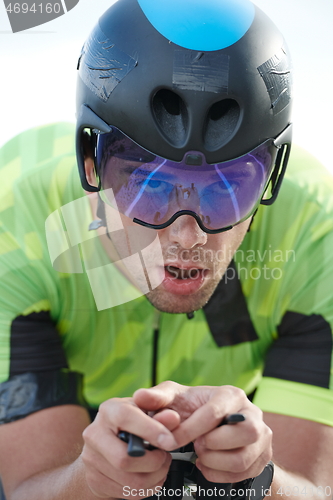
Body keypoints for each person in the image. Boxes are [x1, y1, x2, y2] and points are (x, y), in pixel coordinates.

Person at [0, 0, 333, 499]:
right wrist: (88, 481)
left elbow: (310, 486)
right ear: (90, 164)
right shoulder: (19, 221)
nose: (187, 236)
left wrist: (263, 480)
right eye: (148, 184)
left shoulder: (313, 231)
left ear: (273, 176)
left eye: (226, 189)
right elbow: (28, 484)